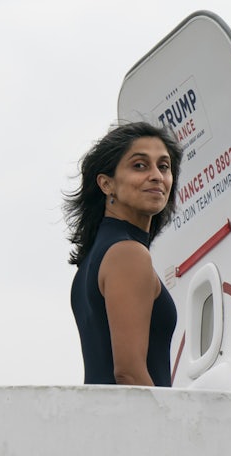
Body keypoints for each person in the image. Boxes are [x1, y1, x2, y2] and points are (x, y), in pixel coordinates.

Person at [65, 122, 182, 386]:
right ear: (107, 184)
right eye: (140, 165)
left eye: (163, 166)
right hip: (134, 422)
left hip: (105, 419)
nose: (156, 176)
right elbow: (129, 374)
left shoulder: (94, 260)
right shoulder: (128, 255)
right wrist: (168, 425)